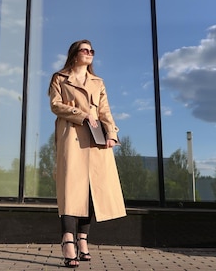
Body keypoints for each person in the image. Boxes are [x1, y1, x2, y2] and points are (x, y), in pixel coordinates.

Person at [48, 39, 126, 268]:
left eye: (92, 51)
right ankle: (67, 241)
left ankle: (83, 240)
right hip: (71, 139)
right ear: (74, 54)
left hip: (96, 141)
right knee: (71, 190)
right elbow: (55, 105)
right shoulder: (60, 78)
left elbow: (105, 111)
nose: (90, 53)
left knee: (93, 191)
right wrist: (81, 114)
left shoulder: (98, 82)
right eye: (85, 50)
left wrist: (111, 133)